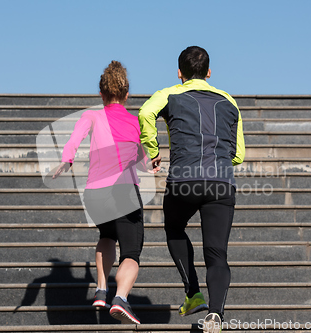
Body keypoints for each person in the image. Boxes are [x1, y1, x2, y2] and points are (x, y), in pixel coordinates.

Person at [138, 46, 245, 333]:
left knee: (174, 228)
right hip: (222, 182)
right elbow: (239, 155)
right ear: (209, 72)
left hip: (184, 178)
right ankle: (216, 314)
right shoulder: (230, 102)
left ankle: (192, 292)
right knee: (217, 254)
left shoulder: (169, 94)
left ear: (179, 73)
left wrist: (153, 149)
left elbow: (146, 113)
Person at [53, 60, 153, 325]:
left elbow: (75, 138)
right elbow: (143, 161)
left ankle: (100, 289)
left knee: (107, 234)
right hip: (123, 192)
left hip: (95, 194)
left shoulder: (92, 115)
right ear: (127, 94)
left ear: (101, 93)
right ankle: (120, 298)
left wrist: (67, 159)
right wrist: (152, 163)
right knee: (131, 252)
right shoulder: (134, 122)